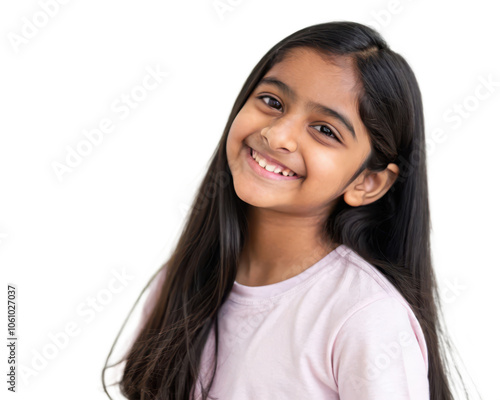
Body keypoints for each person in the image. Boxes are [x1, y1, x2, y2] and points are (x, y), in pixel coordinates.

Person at [102, 21, 473, 400]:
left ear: (368, 183)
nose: (277, 135)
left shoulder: (366, 317)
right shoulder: (182, 278)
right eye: (273, 102)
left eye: (325, 130)